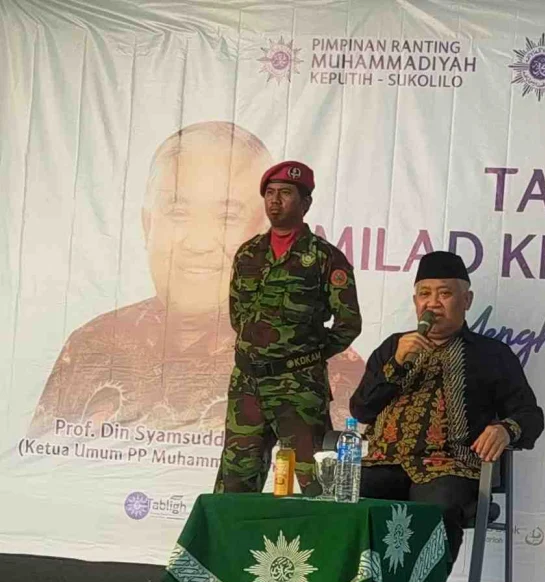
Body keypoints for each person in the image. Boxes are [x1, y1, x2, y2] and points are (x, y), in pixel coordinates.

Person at [27, 122, 365, 440]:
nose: (199, 242)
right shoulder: (92, 347)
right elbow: (43, 462)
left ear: (263, 230)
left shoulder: (332, 367)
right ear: (147, 225)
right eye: (178, 212)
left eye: (227, 216)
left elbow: (341, 469)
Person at [350, 251, 544, 582]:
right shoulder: (393, 347)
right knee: (343, 500)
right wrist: (396, 364)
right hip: (384, 462)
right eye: (424, 294)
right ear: (415, 301)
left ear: (466, 300)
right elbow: (361, 409)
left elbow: (530, 415)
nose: (433, 303)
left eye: (445, 293)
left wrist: (505, 429)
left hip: (450, 468)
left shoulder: (491, 354)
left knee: (435, 511)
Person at [214, 160, 362, 495]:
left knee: (315, 483)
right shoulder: (248, 254)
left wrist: (306, 355)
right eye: (269, 193)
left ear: (305, 203)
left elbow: (349, 322)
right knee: (236, 482)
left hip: (298, 386)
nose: (275, 201)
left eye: (285, 193)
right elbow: (239, 316)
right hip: (249, 382)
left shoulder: (325, 258)